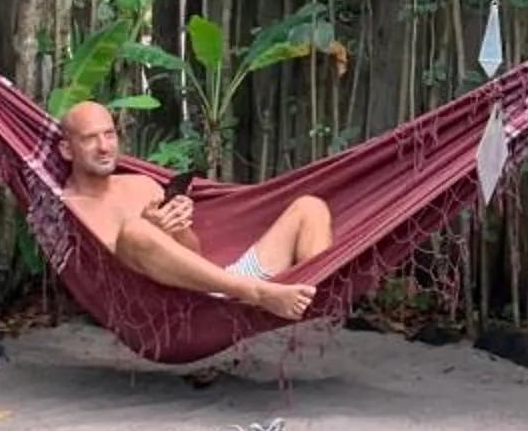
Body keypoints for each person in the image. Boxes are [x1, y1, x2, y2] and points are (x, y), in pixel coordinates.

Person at [54, 100, 330, 322]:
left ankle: (313, 300)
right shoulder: (69, 210)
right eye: (90, 139)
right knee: (135, 232)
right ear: (67, 150)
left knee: (310, 208)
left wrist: (177, 226)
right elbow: (118, 278)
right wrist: (148, 230)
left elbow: (193, 256)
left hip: (221, 287)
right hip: (179, 311)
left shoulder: (141, 184)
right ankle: (262, 294)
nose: (104, 147)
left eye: (109, 134)